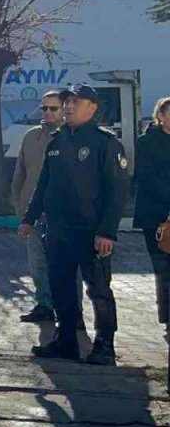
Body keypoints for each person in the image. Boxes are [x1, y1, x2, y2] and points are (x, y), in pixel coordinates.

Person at [21, 84, 130, 365]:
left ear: (92, 108)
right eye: (67, 101)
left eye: (76, 102)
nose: (69, 106)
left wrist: (107, 231)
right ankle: (66, 340)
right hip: (59, 229)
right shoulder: (57, 141)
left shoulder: (105, 142)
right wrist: (30, 218)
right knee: (61, 287)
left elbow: (117, 191)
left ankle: (104, 346)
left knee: (98, 290)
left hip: (92, 232)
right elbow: (44, 184)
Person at [12, 90, 67, 323]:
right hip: (33, 212)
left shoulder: (69, 137)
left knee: (63, 266)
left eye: (53, 108)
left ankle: (68, 313)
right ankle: (44, 305)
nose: (47, 113)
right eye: (44, 108)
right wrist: (20, 206)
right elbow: (20, 174)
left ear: (65, 109)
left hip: (61, 214)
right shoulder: (30, 137)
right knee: (37, 264)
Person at [134, 96, 170, 390]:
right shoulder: (148, 142)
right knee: (164, 269)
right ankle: (167, 318)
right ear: (160, 116)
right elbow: (147, 179)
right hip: (158, 217)